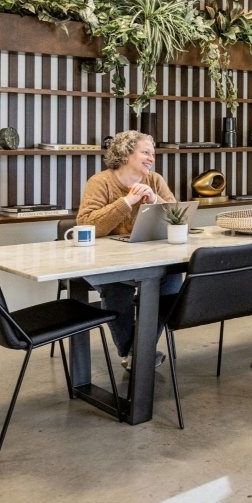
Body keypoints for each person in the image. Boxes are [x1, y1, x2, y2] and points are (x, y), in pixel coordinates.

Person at [76, 130, 180, 370]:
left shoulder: (154, 180)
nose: (151, 158)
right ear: (125, 154)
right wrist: (127, 201)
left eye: (152, 153)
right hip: (105, 261)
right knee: (116, 289)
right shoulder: (100, 182)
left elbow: (178, 217)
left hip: (147, 259)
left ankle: (137, 353)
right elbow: (86, 224)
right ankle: (135, 352)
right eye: (145, 152)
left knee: (172, 278)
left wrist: (155, 201)